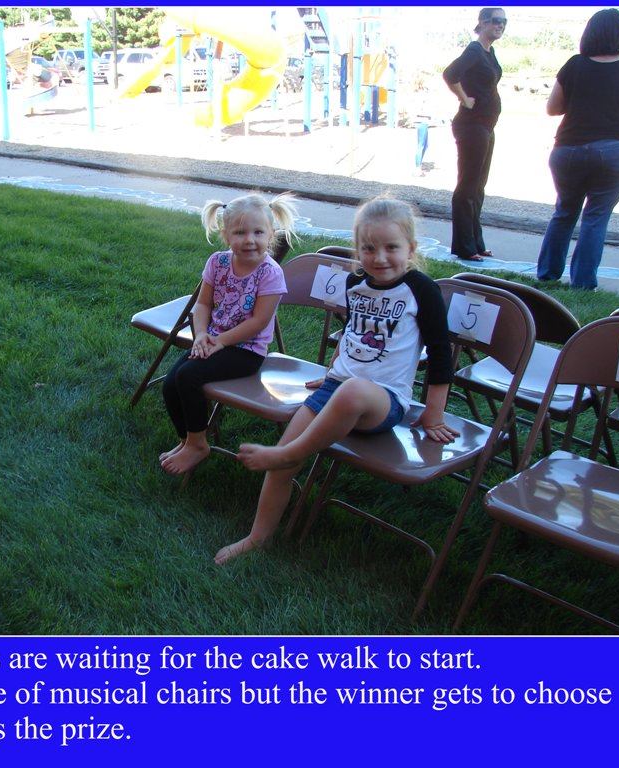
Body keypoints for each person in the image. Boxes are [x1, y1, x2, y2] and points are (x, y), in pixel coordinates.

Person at [215, 196, 459, 565]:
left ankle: (289, 454)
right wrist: (331, 373)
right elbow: (352, 333)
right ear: (357, 249)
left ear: (410, 248)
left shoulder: (421, 289)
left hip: (383, 400)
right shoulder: (355, 281)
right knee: (304, 438)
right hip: (336, 389)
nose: (379, 258)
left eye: (391, 248)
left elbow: (440, 353)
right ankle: (257, 538)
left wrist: (434, 414)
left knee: (350, 394)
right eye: (369, 248)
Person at [160, 192, 298, 476]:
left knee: (188, 377)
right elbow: (203, 304)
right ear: (226, 235)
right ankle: (187, 440)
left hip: (246, 351)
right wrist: (200, 335)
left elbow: (259, 322)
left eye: (258, 232)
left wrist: (220, 341)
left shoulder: (270, 273)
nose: (249, 240)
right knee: (171, 383)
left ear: (271, 234)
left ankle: (198, 445)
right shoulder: (217, 262)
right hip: (212, 340)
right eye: (240, 232)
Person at [536, 9, 619, 291]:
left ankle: (547, 275)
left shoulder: (575, 65)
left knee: (564, 211)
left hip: (569, 149)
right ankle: (583, 284)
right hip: (616, 151)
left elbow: (552, 108)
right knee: (596, 216)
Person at [443, 8, 506, 262]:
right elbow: (450, 74)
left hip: (487, 126)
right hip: (472, 126)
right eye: (496, 21)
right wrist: (464, 98)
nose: (500, 25)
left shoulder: (489, 52)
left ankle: (476, 243)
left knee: (479, 187)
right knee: (468, 186)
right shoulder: (474, 50)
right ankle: (464, 247)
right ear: (483, 22)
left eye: (504, 22)